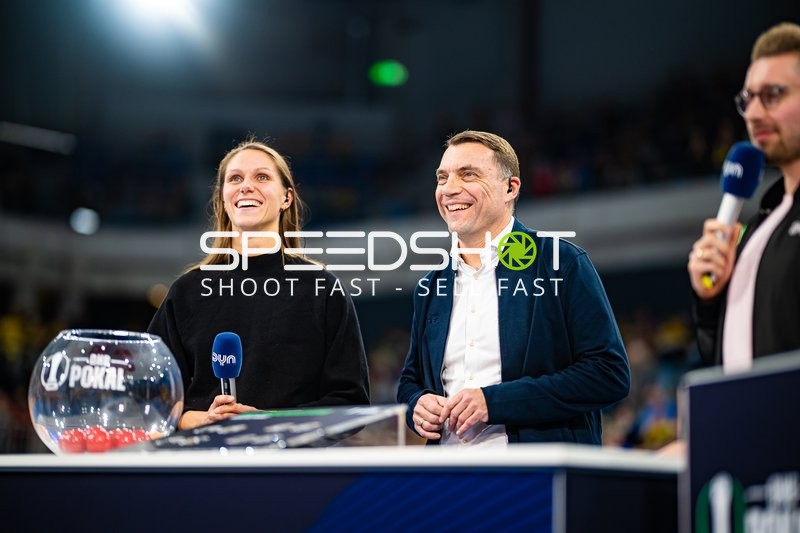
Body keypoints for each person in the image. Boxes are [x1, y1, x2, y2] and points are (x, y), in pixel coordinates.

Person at [397, 130, 630, 446]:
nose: (449, 189)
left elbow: (608, 374)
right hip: (446, 479)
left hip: (534, 476)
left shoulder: (560, 262)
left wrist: (494, 403)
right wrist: (417, 405)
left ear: (510, 187)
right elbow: (411, 381)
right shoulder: (431, 286)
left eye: (468, 175)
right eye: (442, 178)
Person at [148, 139, 370, 430]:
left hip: (290, 469)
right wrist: (206, 420)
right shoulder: (187, 292)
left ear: (286, 198)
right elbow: (152, 399)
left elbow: (351, 402)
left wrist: (267, 422)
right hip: (205, 467)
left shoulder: (322, 290)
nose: (246, 186)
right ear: (223, 199)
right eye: (235, 178)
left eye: (262, 177)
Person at [688, 22, 800, 370]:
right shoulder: (757, 229)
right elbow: (728, 357)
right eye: (748, 99)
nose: (752, 113)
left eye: (773, 94)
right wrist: (710, 302)